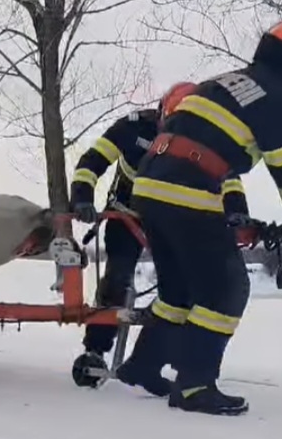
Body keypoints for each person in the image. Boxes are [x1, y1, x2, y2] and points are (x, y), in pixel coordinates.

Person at [123, 22, 282, 416]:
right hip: (188, 187)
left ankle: (143, 365)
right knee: (226, 289)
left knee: (177, 291)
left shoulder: (229, 81)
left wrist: (235, 211)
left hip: (150, 185)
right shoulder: (277, 96)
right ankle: (195, 385)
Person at [69, 83, 250, 397]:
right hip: (126, 216)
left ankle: (159, 361)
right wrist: (82, 197)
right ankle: (96, 349)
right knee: (118, 278)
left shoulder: (205, 136)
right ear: (161, 113)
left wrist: (237, 214)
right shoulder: (131, 127)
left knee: (182, 291)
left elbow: (229, 180)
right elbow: (93, 160)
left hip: (174, 220)